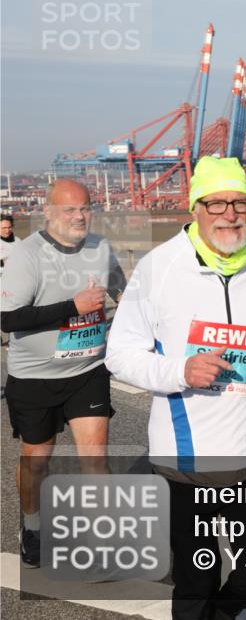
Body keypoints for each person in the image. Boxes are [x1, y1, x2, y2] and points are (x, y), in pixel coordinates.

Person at [105, 156, 246, 619]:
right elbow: (119, 353)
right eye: (216, 203)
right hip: (185, 460)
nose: (230, 213)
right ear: (194, 206)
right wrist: (181, 371)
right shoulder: (158, 267)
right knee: (196, 577)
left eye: (240, 202)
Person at [1, 180, 125, 568]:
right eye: (69, 210)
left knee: (95, 456)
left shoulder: (101, 248)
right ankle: (33, 525)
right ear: (49, 212)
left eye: (85, 207)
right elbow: (8, 318)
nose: (79, 216)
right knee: (37, 460)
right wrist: (72, 306)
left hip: (87, 369)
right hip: (34, 377)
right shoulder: (26, 255)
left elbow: (126, 293)